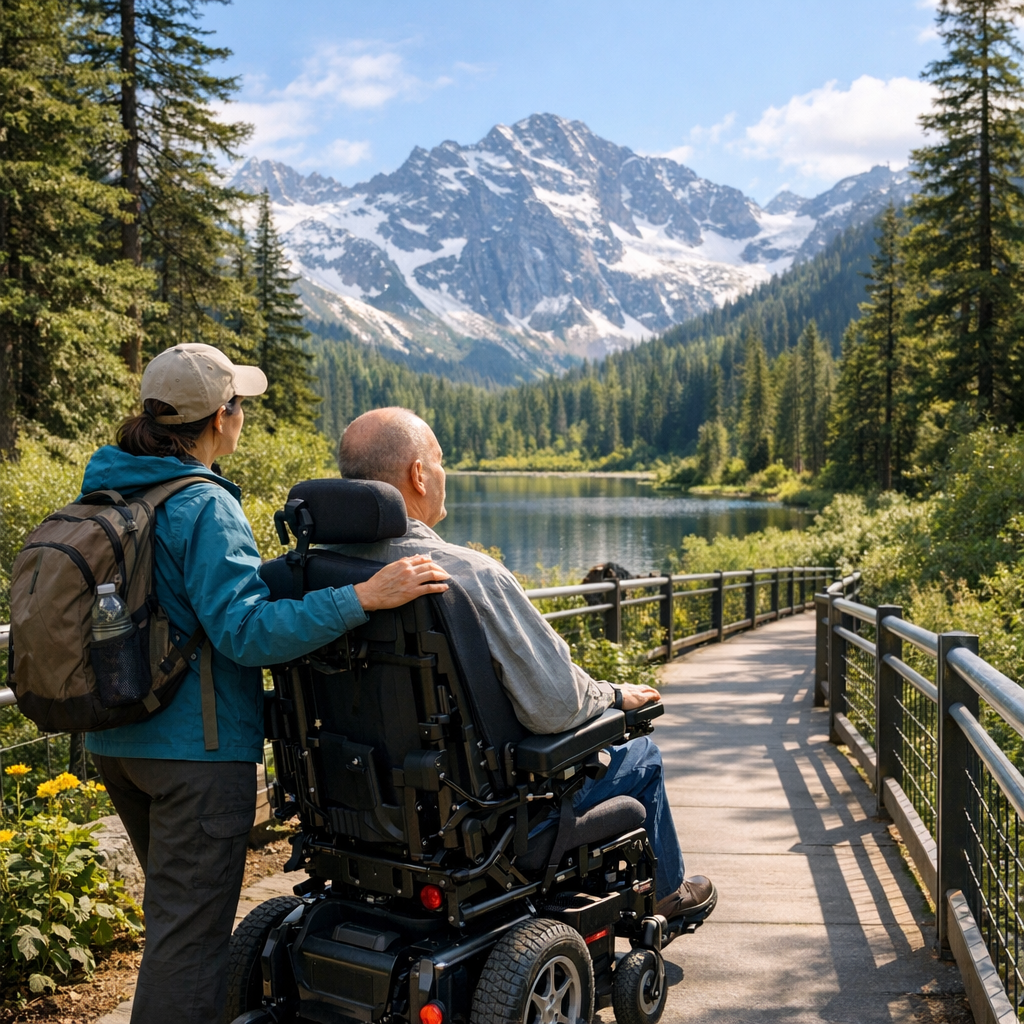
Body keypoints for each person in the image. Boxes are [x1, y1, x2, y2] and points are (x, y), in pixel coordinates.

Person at [82, 347, 450, 1024]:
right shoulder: (201, 505)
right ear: (222, 418)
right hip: (195, 755)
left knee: (171, 922)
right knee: (190, 946)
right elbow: (246, 633)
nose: (242, 417)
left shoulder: (111, 487)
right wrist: (363, 597)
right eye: (240, 405)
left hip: (116, 741)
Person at [330, 406, 717, 926]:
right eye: (441, 461)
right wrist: (611, 696)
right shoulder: (466, 575)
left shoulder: (319, 578)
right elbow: (556, 706)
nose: (445, 474)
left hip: (353, 806)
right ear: (418, 475)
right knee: (641, 754)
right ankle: (667, 901)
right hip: (484, 818)